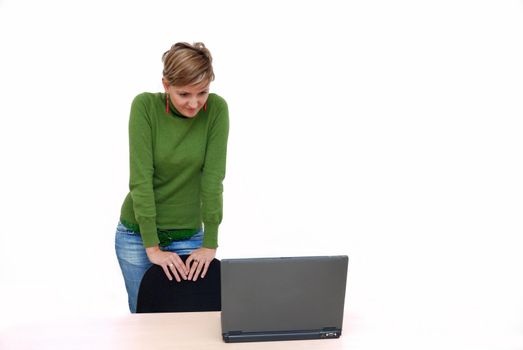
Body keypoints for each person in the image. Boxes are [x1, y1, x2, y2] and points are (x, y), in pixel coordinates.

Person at [115, 42, 229, 313]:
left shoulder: (216, 110)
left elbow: (213, 180)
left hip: (188, 236)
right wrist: (152, 248)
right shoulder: (145, 107)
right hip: (137, 236)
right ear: (166, 85)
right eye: (184, 94)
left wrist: (210, 242)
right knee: (145, 323)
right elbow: (141, 180)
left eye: (202, 92)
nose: (194, 103)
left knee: (192, 325)